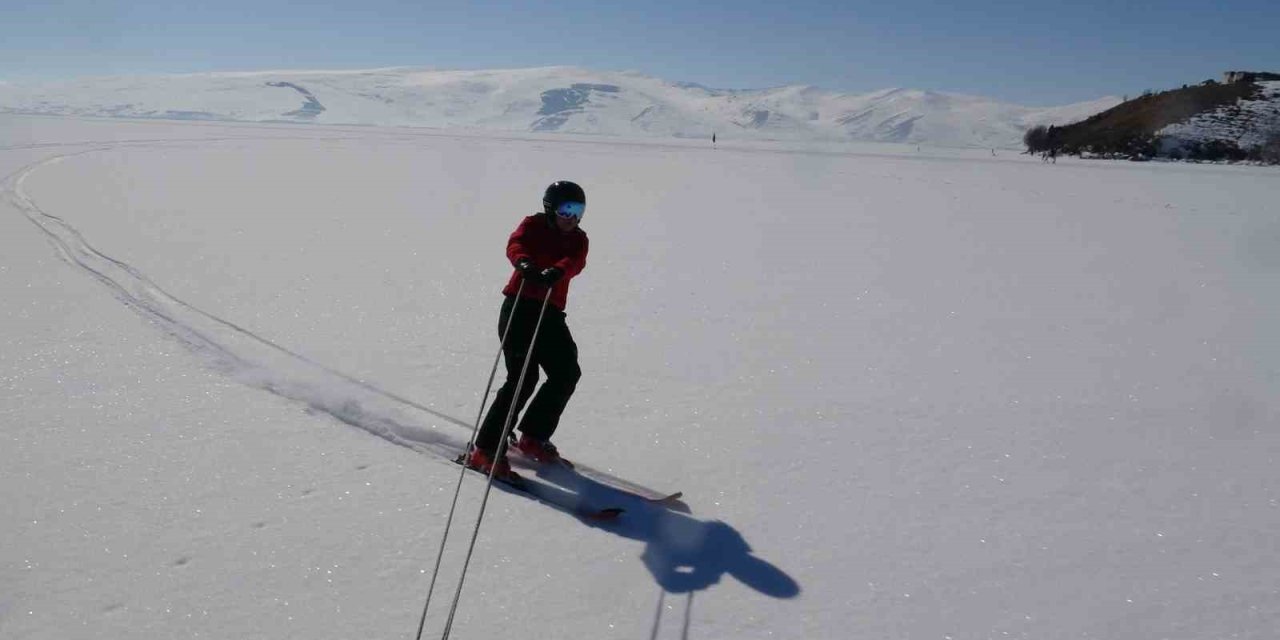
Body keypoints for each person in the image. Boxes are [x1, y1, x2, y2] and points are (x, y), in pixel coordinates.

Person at [467, 181, 589, 479]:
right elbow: (516, 244)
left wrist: (557, 271)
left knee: (566, 372)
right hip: (519, 307)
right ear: (550, 209)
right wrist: (523, 263)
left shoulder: (579, 239)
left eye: (577, 211)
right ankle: (486, 448)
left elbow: (574, 261)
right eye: (565, 210)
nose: (571, 218)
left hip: (549, 312)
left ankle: (533, 436)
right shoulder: (533, 224)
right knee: (523, 377)